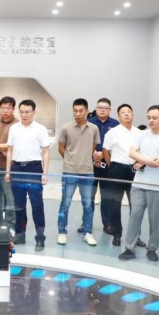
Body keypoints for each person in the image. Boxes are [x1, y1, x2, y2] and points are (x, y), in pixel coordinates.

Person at [118, 105, 159, 262]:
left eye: (154, 118)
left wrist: (143, 161)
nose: (151, 120)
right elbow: (132, 152)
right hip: (138, 184)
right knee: (134, 216)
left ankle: (152, 248)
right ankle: (129, 248)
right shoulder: (141, 134)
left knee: (155, 219)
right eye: (149, 117)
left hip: (158, 187)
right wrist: (148, 161)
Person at [5, 99, 50, 251]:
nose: (23, 115)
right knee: (19, 206)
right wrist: (8, 170)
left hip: (34, 169)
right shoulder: (14, 128)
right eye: (21, 112)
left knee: (37, 206)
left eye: (27, 112)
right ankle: (20, 234)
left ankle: (40, 237)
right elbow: (10, 150)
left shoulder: (40, 129)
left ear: (34, 112)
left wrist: (44, 173)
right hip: (17, 168)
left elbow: (45, 152)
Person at [57, 98, 99, 246]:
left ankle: (88, 232)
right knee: (65, 204)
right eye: (75, 111)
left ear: (87, 111)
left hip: (88, 172)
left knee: (88, 205)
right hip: (69, 172)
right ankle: (62, 232)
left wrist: (84, 159)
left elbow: (93, 148)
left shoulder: (93, 129)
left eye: (81, 111)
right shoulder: (66, 128)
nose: (78, 113)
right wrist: (71, 160)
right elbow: (61, 148)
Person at [102, 104, 141, 247]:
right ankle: (117, 234)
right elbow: (105, 151)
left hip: (134, 170)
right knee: (115, 203)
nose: (126, 114)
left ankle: (135, 236)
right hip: (116, 169)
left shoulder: (139, 133)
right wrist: (111, 165)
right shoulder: (112, 132)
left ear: (133, 115)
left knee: (135, 205)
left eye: (129, 112)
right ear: (119, 116)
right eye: (123, 112)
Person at [89, 98, 119, 235]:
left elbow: (118, 145)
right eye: (100, 107)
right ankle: (87, 223)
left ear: (110, 110)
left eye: (105, 108)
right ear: (96, 108)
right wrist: (94, 154)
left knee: (106, 196)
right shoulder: (89, 122)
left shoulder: (116, 124)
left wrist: (103, 154)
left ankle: (107, 223)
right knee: (88, 196)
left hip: (107, 165)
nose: (102, 110)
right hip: (90, 165)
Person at [0, 96, 19, 233]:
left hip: (9, 167)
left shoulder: (17, 125)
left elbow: (12, 146)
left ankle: (10, 225)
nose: (5, 111)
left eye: (8, 108)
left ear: (13, 109)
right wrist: (1, 147)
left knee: (10, 198)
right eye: (3, 108)